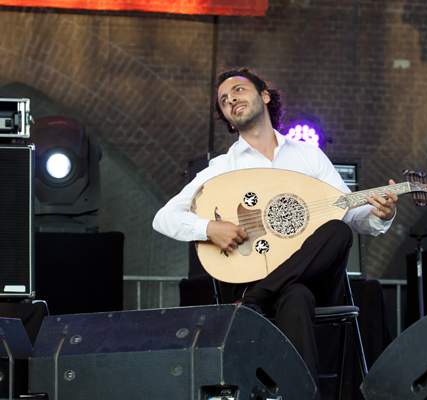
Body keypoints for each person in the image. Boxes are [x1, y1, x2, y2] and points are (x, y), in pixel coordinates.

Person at [153, 67, 397, 399]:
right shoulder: (223, 168)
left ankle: (257, 298)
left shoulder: (307, 155)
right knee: (295, 296)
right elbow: (164, 217)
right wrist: (208, 227)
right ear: (226, 117)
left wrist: (382, 214)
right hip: (256, 274)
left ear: (265, 96)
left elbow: (351, 213)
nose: (231, 99)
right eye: (224, 100)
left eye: (238, 90)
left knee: (338, 230)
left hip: (312, 281)